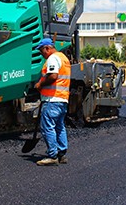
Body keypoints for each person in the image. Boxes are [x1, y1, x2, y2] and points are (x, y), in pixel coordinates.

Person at [34, 38, 70, 166]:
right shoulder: (64, 58)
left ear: (47, 48)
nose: (41, 54)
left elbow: (53, 76)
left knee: (47, 127)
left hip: (52, 99)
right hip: (62, 99)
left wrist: (39, 84)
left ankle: (52, 156)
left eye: (41, 51)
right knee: (59, 127)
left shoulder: (53, 58)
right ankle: (62, 154)